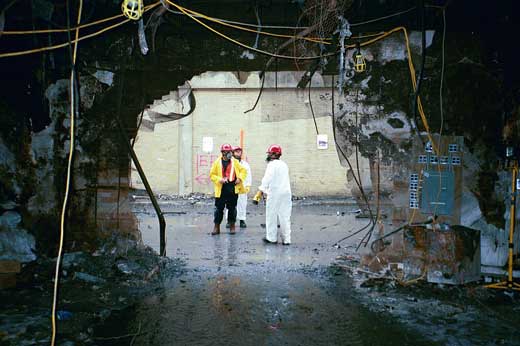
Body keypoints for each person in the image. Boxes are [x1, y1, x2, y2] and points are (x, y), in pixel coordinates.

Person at [257, 144, 292, 245]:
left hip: (275, 193)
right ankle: (286, 240)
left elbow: (267, 178)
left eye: (269, 154)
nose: (268, 156)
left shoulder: (271, 165)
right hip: (286, 193)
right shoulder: (284, 164)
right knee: (285, 216)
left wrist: (261, 190)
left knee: (271, 215)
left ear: (274, 154)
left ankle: (271, 238)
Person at [209, 143, 247, 235]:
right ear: (223, 153)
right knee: (219, 209)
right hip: (221, 189)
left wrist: (240, 178)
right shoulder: (217, 162)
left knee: (232, 208)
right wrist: (220, 179)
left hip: (232, 189)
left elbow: (243, 170)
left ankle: (232, 226)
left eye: (230, 151)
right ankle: (216, 227)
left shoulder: (235, 162)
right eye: (227, 152)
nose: (230, 153)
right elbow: (212, 175)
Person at [232, 145, 252, 228]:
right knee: (230, 205)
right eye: (236, 151)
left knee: (242, 204)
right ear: (233, 153)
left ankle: (242, 220)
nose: (238, 153)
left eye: (239, 151)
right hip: (232, 187)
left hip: (242, 187)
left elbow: (248, 176)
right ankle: (230, 221)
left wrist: (248, 186)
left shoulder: (245, 164)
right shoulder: (230, 163)